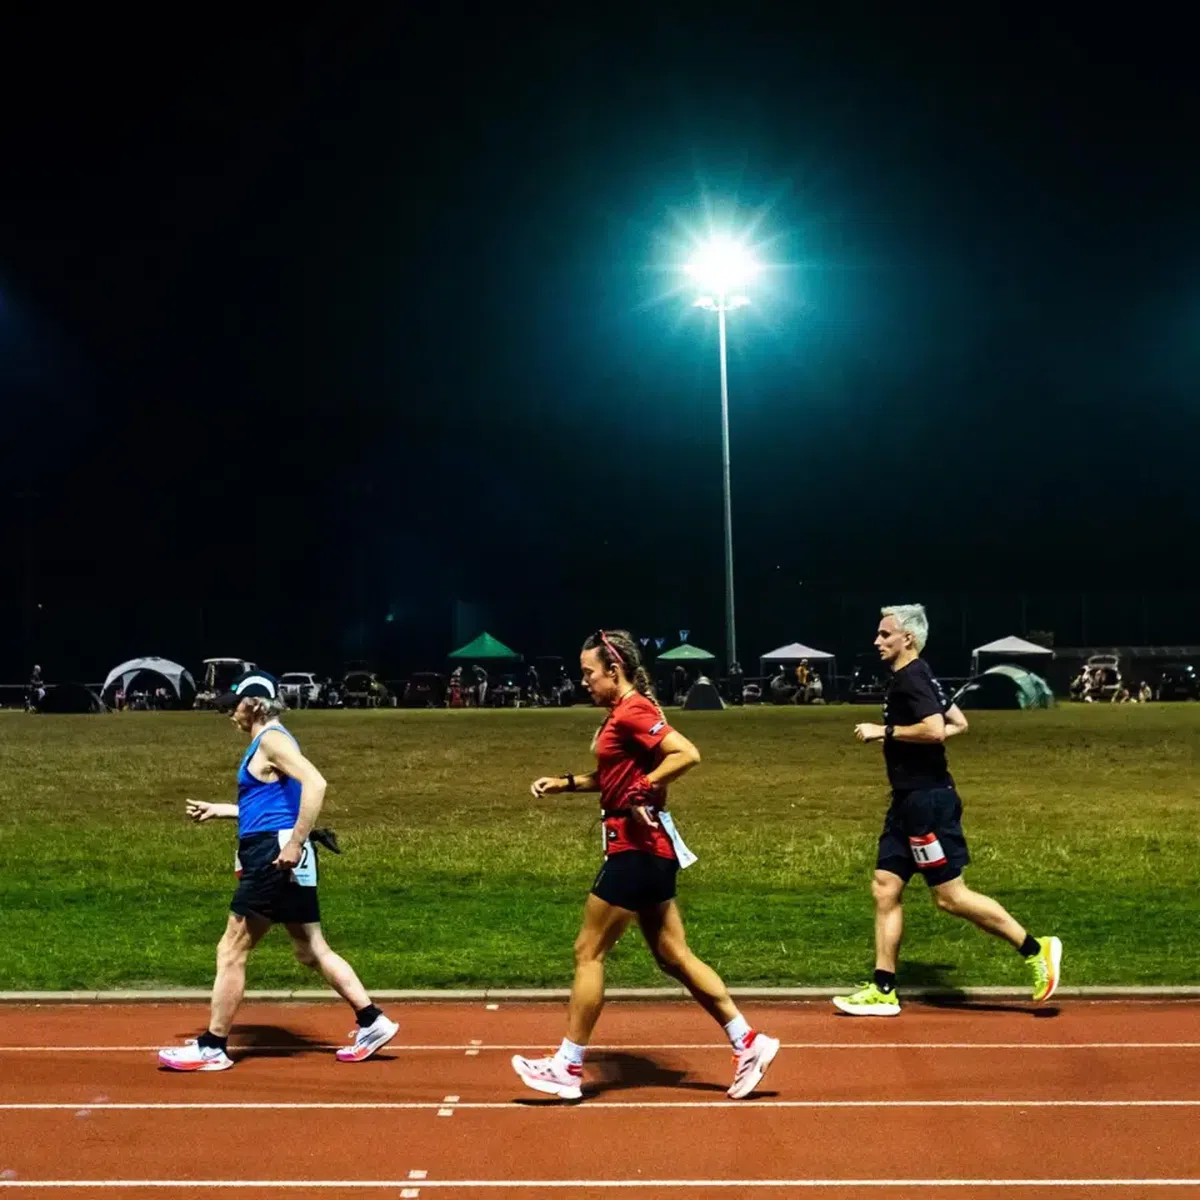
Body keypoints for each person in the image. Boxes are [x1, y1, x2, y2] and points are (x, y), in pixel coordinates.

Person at [511, 629, 779, 1101]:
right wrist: (567, 782)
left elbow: (687, 753)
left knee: (587, 951)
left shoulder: (634, 710)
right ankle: (748, 1042)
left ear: (614, 672)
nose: (583, 682)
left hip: (635, 847)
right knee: (673, 956)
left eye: (589, 673)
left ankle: (567, 1066)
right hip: (649, 849)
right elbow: (616, 775)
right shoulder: (623, 712)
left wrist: (644, 787)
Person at [158, 671, 397, 1071]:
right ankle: (372, 1020)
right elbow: (276, 803)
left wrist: (294, 843)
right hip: (280, 850)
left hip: (274, 854)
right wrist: (224, 810)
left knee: (231, 949)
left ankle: (213, 1045)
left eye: (233, 705)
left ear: (253, 704)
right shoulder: (272, 739)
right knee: (310, 949)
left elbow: (315, 784)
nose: (229, 713)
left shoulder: (270, 739)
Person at [834, 605, 1062, 1016]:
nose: (877, 641)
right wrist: (914, 739)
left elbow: (937, 729)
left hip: (927, 805)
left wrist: (882, 732)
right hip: (905, 802)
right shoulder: (918, 675)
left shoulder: (912, 677)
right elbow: (958, 722)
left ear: (909, 639)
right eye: (878, 634)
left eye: (886, 634)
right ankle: (883, 988)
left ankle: (1035, 949)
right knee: (885, 887)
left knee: (950, 898)